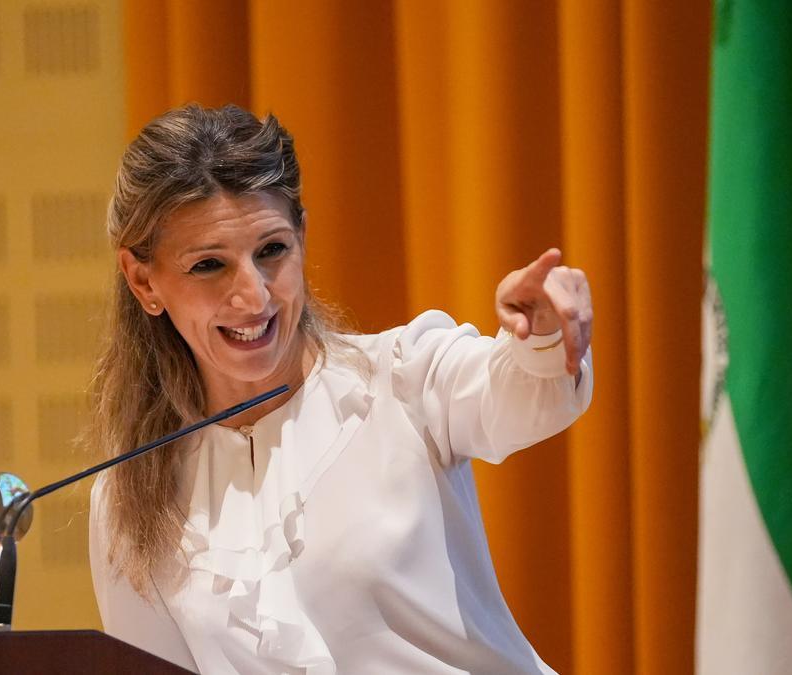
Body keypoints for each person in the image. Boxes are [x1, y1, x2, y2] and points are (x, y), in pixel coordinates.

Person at [87, 104, 594, 675]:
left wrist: (543, 335)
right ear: (143, 281)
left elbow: (521, 393)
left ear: (302, 237)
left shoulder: (403, 376)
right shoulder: (130, 495)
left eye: (272, 250)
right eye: (209, 265)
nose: (254, 297)